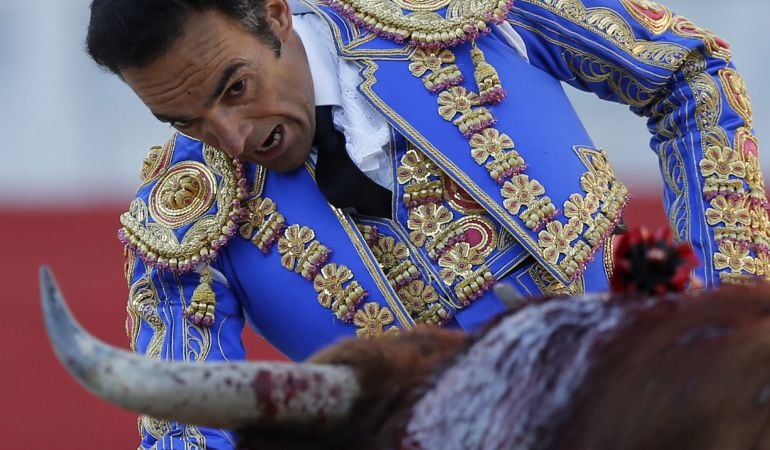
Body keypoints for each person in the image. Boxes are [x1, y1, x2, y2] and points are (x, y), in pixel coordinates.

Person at [86, 0, 768, 447]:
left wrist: (727, 304)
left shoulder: (453, 13)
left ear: (275, 14)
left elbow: (686, 72)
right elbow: (185, 434)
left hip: (639, 404)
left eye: (235, 90)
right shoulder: (181, 221)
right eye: (187, 122)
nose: (230, 137)